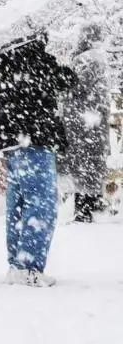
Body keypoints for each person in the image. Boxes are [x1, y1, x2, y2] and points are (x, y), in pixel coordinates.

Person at [0, 33, 77, 286]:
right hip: (35, 140)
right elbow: (67, 79)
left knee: (18, 205)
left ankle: (17, 263)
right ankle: (30, 267)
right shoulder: (36, 58)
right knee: (41, 204)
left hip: (11, 143)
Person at [60, 22, 110, 223]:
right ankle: (94, 203)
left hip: (83, 121)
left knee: (83, 163)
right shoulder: (100, 58)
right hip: (95, 120)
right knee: (93, 162)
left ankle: (84, 210)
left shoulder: (85, 60)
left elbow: (75, 87)